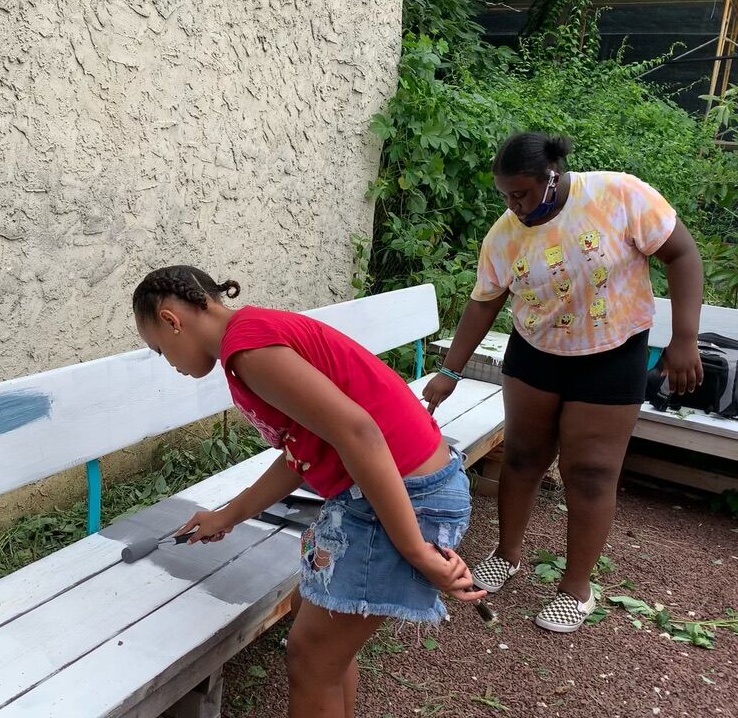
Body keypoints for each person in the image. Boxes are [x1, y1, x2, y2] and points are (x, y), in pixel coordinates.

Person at [132, 265, 484, 718]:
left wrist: (414, 549)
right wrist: (227, 516)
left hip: (404, 495)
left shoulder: (249, 350)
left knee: (311, 659)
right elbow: (302, 454)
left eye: (160, 350)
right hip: (388, 489)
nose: (171, 364)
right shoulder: (251, 335)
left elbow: (359, 433)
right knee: (321, 640)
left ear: (171, 320)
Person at [423, 131, 704, 633]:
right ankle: (506, 554)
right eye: (505, 195)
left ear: (552, 175)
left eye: (522, 193)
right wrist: (450, 371)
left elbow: (682, 254)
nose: (513, 204)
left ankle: (576, 588)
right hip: (536, 354)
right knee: (525, 456)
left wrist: (685, 337)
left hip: (613, 353)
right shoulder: (505, 234)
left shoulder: (618, 195)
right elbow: (484, 300)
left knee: (591, 471)